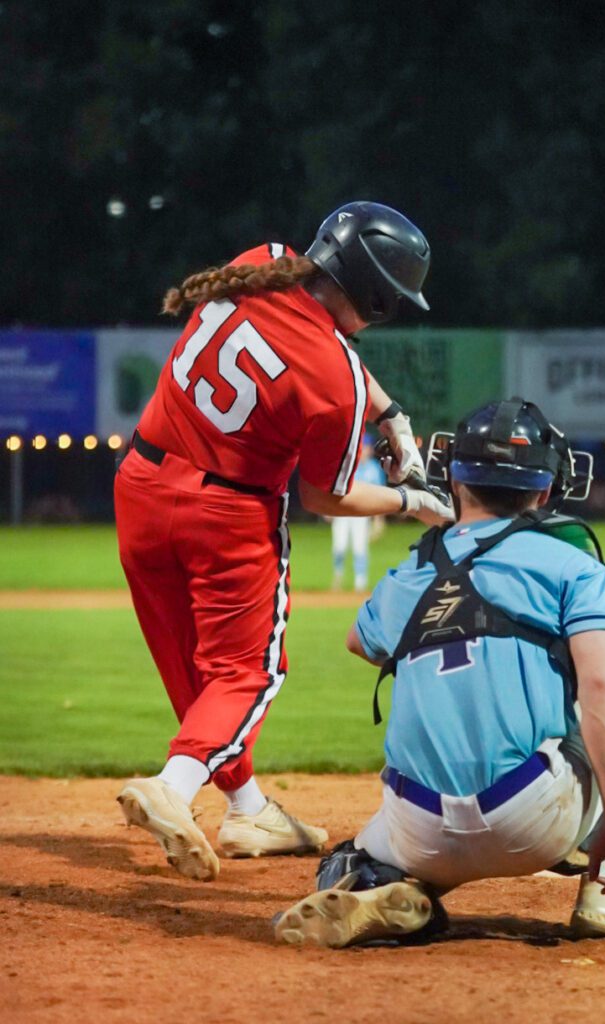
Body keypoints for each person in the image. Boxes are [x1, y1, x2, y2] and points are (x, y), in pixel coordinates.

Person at [272, 399, 605, 947]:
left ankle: (374, 884)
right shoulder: (570, 566)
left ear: (452, 479)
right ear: (546, 491)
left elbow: (361, 641)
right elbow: (600, 688)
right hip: (532, 817)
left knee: (352, 854)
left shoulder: (412, 569)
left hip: (418, 826)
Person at [114, 201, 452, 882]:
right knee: (248, 673)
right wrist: (413, 499)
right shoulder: (331, 374)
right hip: (226, 516)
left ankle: (248, 809)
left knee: (195, 670)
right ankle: (172, 788)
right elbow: (327, 498)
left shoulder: (259, 263)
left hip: (141, 485)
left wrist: (389, 415)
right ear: (376, 299)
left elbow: (320, 353)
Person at [330, 434, 385, 592]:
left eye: (366, 447)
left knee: (360, 548)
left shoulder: (374, 468)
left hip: (362, 514)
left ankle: (360, 582)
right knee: (339, 547)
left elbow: (379, 495)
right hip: (342, 513)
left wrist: (378, 520)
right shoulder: (346, 465)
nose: (364, 451)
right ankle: (338, 577)